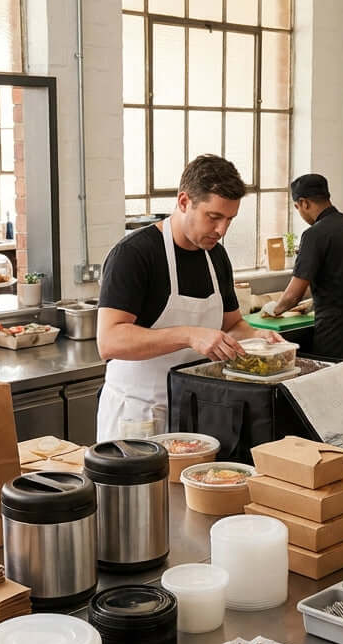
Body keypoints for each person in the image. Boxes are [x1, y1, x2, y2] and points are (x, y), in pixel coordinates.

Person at [95, 154, 282, 440]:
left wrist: (258, 338)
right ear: (184, 202)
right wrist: (189, 335)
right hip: (139, 416)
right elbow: (109, 342)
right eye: (214, 217)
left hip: (196, 411)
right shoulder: (135, 254)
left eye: (229, 219)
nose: (222, 230)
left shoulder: (216, 256)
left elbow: (232, 325)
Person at [264, 173, 343, 381]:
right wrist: (314, 301)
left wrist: (274, 308)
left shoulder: (314, 235)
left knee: (335, 394)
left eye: (297, 208)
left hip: (338, 332)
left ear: (304, 203)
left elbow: (292, 296)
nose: (300, 213)